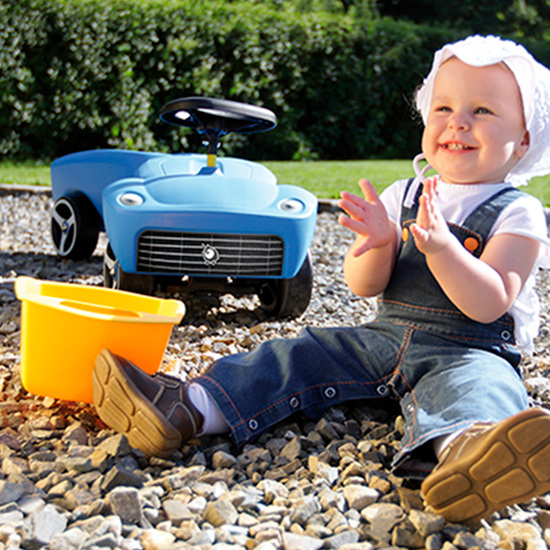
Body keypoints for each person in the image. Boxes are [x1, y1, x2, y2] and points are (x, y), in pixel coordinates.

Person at [91, 35, 550, 524]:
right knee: (297, 353)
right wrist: (376, 244)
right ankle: (190, 407)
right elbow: (365, 286)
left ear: (524, 140)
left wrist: (441, 248)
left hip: (468, 347)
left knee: (482, 387)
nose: (457, 121)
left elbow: (490, 301)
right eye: (443, 107)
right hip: (385, 337)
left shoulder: (517, 211)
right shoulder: (404, 193)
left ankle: (470, 453)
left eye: (482, 110)